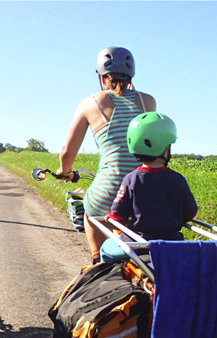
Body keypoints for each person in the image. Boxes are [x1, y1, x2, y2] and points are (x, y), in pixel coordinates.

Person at [57, 47, 156, 264]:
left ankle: (97, 263)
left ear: (102, 77)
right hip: (146, 190)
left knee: (90, 211)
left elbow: (67, 151)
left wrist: (64, 172)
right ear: (131, 77)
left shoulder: (91, 102)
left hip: (108, 190)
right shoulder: (148, 101)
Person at [101, 112, 198, 262]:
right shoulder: (178, 179)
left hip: (137, 244)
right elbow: (189, 214)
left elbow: (118, 216)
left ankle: (105, 279)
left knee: (105, 249)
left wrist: (111, 218)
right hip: (172, 244)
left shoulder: (130, 179)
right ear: (165, 149)